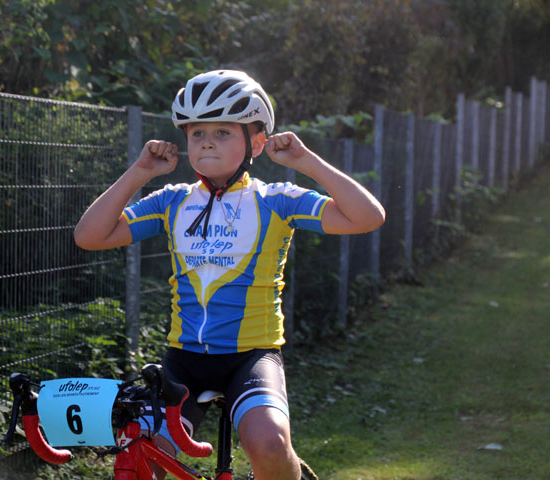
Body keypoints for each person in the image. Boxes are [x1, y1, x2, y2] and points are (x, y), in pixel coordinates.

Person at [74, 70, 385, 480]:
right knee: (139, 459)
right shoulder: (171, 201)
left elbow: (368, 217)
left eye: (223, 131)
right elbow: (88, 236)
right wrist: (139, 172)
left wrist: (305, 161)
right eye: (197, 131)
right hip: (183, 360)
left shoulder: (276, 199)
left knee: (271, 444)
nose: (206, 140)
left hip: (251, 357)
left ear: (256, 142)